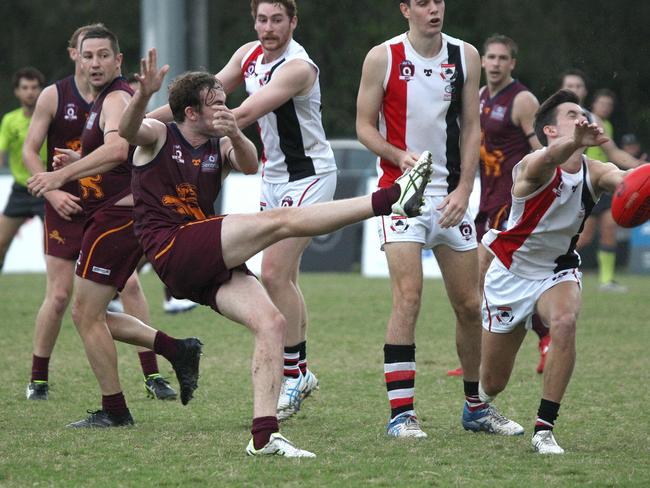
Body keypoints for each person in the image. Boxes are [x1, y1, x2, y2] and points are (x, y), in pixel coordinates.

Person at [119, 50, 432, 456]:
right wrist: (143, 95)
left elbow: (250, 164)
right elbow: (128, 130)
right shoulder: (161, 135)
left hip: (201, 258)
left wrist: (233, 131)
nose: (225, 108)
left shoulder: (219, 144)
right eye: (216, 104)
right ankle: (391, 199)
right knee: (280, 221)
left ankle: (264, 437)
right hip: (173, 245)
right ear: (191, 112)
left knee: (271, 322)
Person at [148, 0, 336, 420]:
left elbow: (244, 113)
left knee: (271, 273)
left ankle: (293, 375)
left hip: (309, 177)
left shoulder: (298, 67)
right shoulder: (247, 54)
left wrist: (187, 123)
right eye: (261, 19)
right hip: (271, 177)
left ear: (293, 22)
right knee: (284, 278)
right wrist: (143, 126)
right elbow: (191, 103)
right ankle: (300, 371)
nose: (267, 28)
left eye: (277, 20)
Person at [27, 26, 200, 426]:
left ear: (118, 60)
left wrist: (56, 180)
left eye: (104, 55)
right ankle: (177, 350)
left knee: (85, 314)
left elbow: (119, 147)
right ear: (77, 59)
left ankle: (116, 410)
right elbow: (116, 159)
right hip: (115, 216)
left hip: (118, 219)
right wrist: (75, 167)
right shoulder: (101, 100)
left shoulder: (117, 96)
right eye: (89, 56)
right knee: (91, 313)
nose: (95, 63)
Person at [356, 0, 490, 438]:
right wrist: (398, 156)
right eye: (423, 3)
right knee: (408, 298)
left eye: (439, 1)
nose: (434, 9)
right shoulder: (383, 56)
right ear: (405, 9)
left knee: (470, 305)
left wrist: (466, 189)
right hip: (402, 195)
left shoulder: (465, 55)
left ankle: (475, 407)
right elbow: (363, 126)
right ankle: (401, 415)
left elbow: (472, 128)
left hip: (451, 197)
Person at [478, 89, 629, 454]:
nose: (582, 117)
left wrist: (636, 186)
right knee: (494, 381)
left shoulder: (596, 172)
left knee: (564, 321)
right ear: (549, 130)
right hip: (509, 274)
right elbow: (549, 159)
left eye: (583, 112)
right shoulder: (532, 166)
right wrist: (572, 143)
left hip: (556, 272)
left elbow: (628, 182)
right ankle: (479, 404)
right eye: (571, 114)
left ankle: (544, 429)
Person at [448, 34, 550, 377]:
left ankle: (491, 357)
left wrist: (540, 192)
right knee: (484, 282)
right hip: (487, 199)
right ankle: (537, 340)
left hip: (513, 202)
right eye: (489, 57)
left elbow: (542, 151)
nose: (494, 63)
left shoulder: (522, 100)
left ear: (512, 64)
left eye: (501, 58)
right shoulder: (476, 97)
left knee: (481, 273)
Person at [559, 72, 642, 292]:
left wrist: (642, 168)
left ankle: (606, 280)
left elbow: (614, 153)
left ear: (584, 92)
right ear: (562, 88)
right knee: (582, 236)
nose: (574, 89)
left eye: (578, 85)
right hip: (565, 186)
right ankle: (554, 268)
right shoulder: (551, 116)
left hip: (597, 183)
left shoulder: (593, 120)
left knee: (609, 227)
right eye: (570, 85)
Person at [0, 67, 46, 272]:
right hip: (21, 189)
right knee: (1, 242)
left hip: (48, 189)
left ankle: (56, 291)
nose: (30, 92)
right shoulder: (10, 120)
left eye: (34, 87)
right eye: (25, 87)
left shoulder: (50, 116)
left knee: (54, 250)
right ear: (17, 92)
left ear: (41, 90)